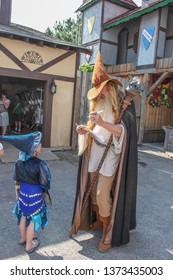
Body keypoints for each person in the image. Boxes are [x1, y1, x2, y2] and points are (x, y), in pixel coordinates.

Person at [69, 51, 138, 253]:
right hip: (95, 155)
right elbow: (95, 128)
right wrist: (84, 129)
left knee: (101, 195)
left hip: (111, 158)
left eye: (100, 90)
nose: (98, 94)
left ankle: (108, 230)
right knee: (91, 195)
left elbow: (122, 132)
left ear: (108, 88)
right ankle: (100, 220)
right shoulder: (97, 104)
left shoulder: (122, 108)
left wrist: (102, 123)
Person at [0, 132, 51, 254]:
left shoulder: (19, 162)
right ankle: (29, 245)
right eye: (39, 144)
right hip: (35, 196)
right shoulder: (40, 164)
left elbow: (16, 178)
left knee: (23, 216)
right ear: (33, 149)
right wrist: (44, 190)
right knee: (33, 220)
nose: (41, 145)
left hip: (23, 195)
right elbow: (45, 182)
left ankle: (23, 239)